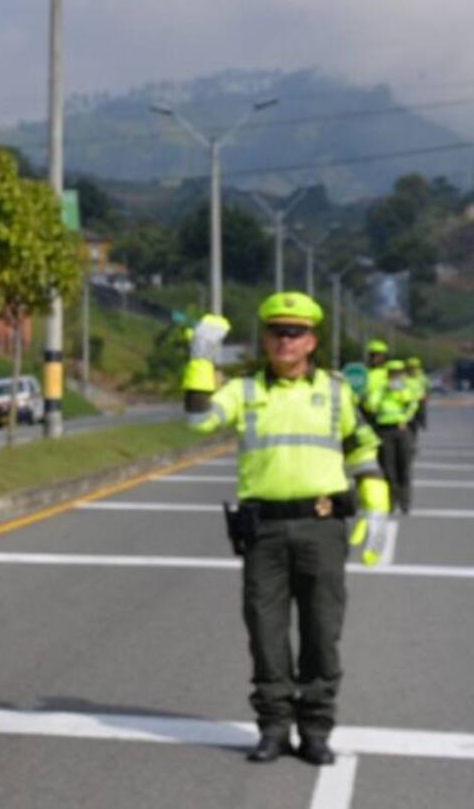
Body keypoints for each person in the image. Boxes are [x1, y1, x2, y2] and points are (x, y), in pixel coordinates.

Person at [182, 292, 389, 766]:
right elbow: (198, 419)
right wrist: (201, 358)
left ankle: (315, 729)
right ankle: (273, 727)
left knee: (321, 632)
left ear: (312, 340)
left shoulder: (337, 391)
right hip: (264, 533)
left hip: (322, 528)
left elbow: (362, 448)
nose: (284, 340)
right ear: (265, 338)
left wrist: (376, 506)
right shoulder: (245, 390)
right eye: (276, 331)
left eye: (295, 332)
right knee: (265, 634)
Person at [366, 358, 418, 515]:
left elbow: (412, 404)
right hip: (384, 431)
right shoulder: (381, 389)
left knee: (404, 466)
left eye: (397, 373)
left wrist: (405, 419)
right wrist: (384, 393)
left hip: (401, 430)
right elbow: (371, 405)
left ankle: (405, 502)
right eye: (392, 373)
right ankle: (391, 502)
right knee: (388, 468)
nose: (395, 376)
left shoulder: (406, 388)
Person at [360, 339, 389, 424]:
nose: (375, 358)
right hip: (365, 412)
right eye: (373, 355)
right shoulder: (364, 372)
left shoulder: (389, 372)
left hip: (383, 413)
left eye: (379, 355)